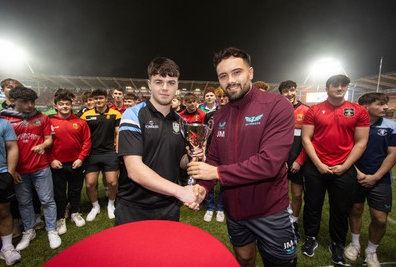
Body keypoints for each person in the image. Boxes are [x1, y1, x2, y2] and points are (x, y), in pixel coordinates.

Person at [187, 47, 297, 267]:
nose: (230, 81)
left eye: (237, 72)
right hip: (235, 211)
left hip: (270, 210)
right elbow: (214, 159)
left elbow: (269, 163)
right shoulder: (220, 115)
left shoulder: (277, 106)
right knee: (244, 259)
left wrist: (217, 173)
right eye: (223, 76)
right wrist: (203, 187)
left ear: (251, 73)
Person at [115, 57, 204, 225]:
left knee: (165, 252)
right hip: (134, 206)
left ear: (177, 86)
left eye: (171, 82)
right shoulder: (133, 114)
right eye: (159, 82)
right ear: (149, 84)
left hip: (169, 206)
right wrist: (180, 191)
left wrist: (192, 155)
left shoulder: (181, 122)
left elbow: (180, 162)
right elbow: (134, 169)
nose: (165, 88)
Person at [301, 74, 370, 265]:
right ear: (327, 88)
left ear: (347, 87)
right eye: (335, 85)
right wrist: (319, 164)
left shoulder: (358, 111)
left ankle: (337, 243)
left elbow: (361, 141)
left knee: (340, 209)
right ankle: (311, 238)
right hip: (316, 167)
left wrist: (345, 166)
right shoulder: (314, 110)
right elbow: (306, 139)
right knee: (312, 205)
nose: (339, 88)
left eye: (343, 85)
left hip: (344, 168)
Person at [0, 86, 62, 251]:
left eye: (32, 101)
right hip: (19, 170)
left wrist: (42, 145)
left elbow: (49, 139)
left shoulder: (41, 118)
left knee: (47, 200)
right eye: (24, 101)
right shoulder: (6, 120)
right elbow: (4, 149)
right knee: (24, 202)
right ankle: (29, 230)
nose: (29, 105)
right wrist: (12, 170)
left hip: (41, 167)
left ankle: (52, 230)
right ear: (14, 101)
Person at [344, 92, 396, 267]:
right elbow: (345, 151)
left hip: (380, 179)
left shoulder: (391, 126)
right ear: (366, 107)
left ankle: (371, 251)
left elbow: (392, 154)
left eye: (385, 104)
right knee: (355, 210)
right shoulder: (352, 126)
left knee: (380, 218)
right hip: (355, 175)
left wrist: (376, 176)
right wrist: (357, 172)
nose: (386, 107)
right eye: (380, 104)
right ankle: (355, 243)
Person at [48, 90, 91, 235]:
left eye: (67, 104)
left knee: (75, 190)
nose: (65, 106)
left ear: (72, 105)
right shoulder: (50, 121)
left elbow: (86, 141)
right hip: (57, 164)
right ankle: (60, 218)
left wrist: (80, 158)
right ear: (56, 106)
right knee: (59, 193)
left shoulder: (80, 122)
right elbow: (46, 143)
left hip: (76, 163)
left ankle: (75, 212)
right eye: (61, 104)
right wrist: (52, 159)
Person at [81, 89, 121, 221]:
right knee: (90, 184)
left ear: (106, 99)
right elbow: (82, 135)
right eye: (96, 98)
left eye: (101, 98)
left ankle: (111, 204)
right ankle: (95, 206)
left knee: (112, 182)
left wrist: (118, 150)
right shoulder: (86, 115)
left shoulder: (115, 114)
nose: (98, 101)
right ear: (93, 100)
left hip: (110, 152)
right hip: (92, 154)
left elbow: (118, 133)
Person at [278, 80, 309, 240]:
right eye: (285, 91)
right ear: (281, 93)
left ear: (296, 90)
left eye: (291, 90)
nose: (289, 94)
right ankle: (281, 221)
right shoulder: (277, 110)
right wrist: (279, 160)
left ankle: (294, 222)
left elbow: (309, 140)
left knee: (297, 194)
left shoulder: (306, 110)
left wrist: (300, 161)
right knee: (279, 193)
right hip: (280, 162)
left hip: (298, 162)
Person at [0, 112, 21, 265]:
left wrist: (9, 173)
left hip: (0, 174)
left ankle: (7, 248)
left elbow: (12, 147)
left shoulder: (3, 123)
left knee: (3, 211)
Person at [203, 87, 228, 223]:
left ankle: (221, 208)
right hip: (211, 153)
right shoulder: (210, 115)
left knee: (225, 182)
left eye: (225, 96)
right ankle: (210, 207)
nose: (223, 99)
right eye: (220, 97)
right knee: (210, 180)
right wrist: (204, 150)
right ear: (217, 99)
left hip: (228, 154)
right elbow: (205, 135)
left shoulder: (236, 114)